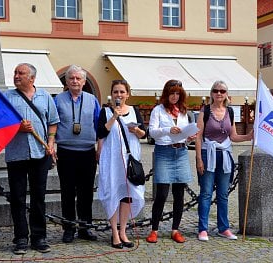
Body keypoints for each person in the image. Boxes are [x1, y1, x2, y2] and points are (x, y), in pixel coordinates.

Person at [4, 63, 60, 254]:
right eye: (15, 72)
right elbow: (1, 124)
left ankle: (39, 237)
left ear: (32, 78)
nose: (16, 76)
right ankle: (20, 238)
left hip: (40, 153)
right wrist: (17, 128)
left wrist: (51, 142)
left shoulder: (45, 97)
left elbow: (53, 123)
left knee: (39, 197)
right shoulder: (7, 97)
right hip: (16, 154)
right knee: (18, 198)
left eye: (21, 73)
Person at [195, 80, 253, 242]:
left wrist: (248, 137)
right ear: (211, 93)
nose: (219, 93)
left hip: (225, 155)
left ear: (226, 94)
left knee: (223, 194)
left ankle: (223, 228)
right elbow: (198, 137)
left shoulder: (230, 112)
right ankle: (203, 229)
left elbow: (232, 136)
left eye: (222, 91)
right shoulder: (205, 111)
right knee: (206, 193)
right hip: (208, 154)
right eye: (216, 90)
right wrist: (199, 159)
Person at [96, 80, 146, 249]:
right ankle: (114, 233)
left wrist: (137, 131)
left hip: (130, 158)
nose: (119, 95)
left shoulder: (134, 111)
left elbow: (143, 134)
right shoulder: (106, 111)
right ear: (112, 94)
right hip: (112, 159)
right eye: (116, 92)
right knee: (113, 193)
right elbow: (101, 132)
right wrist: (114, 116)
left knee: (128, 194)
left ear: (127, 94)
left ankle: (123, 231)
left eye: (122, 92)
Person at [55, 65, 101, 243]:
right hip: (65, 152)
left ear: (83, 81)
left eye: (78, 78)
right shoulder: (58, 100)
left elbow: (99, 125)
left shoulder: (92, 100)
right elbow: (52, 124)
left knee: (86, 192)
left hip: (87, 152)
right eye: (71, 78)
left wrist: (100, 147)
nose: (75, 81)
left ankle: (85, 227)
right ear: (66, 81)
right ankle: (68, 228)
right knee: (67, 192)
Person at [146, 79, 196, 244]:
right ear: (166, 94)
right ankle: (154, 229)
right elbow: (152, 132)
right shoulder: (158, 110)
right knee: (161, 193)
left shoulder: (183, 112)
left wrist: (189, 138)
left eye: (177, 93)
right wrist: (168, 130)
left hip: (180, 152)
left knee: (179, 194)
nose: (174, 96)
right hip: (164, 152)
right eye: (171, 93)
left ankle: (175, 229)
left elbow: (184, 133)